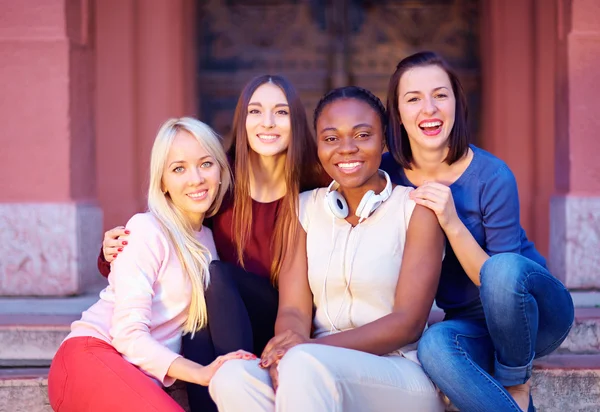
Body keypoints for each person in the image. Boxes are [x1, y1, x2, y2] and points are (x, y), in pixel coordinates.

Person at [96, 75, 326, 412]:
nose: (267, 123)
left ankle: (242, 386)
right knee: (195, 327)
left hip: (287, 316)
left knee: (215, 276)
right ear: (242, 121)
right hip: (226, 321)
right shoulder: (221, 177)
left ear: (296, 121)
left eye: (281, 112)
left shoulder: (314, 183)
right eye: (255, 111)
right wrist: (110, 253)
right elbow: (168, 222)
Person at [208, 86, 446, 412]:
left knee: (304, 365)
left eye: (362, 135)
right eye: (331, 139)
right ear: (317, 145)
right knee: (232, 376)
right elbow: (293, 310)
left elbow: (407, 323)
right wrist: (287, 347)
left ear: (385, 141)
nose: (346, 149)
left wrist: (307, 348)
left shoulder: (415, 209)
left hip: (399, 372)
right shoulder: (304, 208)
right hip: (311, 368)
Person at [381, 51, 575, 412]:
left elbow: (499, 284)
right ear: (397, 113)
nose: (429, 109)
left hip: (531, 315)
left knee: (501, 269)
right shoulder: (385, 175)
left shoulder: (492, 175)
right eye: (413, 99)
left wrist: (451, 221)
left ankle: (516, 378)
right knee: (435, 347)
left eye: (440, 95)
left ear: (456, 102)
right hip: (470, 325)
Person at [47, 118, 256, 412]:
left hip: (140, 377)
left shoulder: (210, 239)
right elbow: (128, 335)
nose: (196, 178)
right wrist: (201, 373)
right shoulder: (146, 229)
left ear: (221, 170)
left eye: (206, 164)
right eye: (179, 168)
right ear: (163, 182)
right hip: (92, 356)